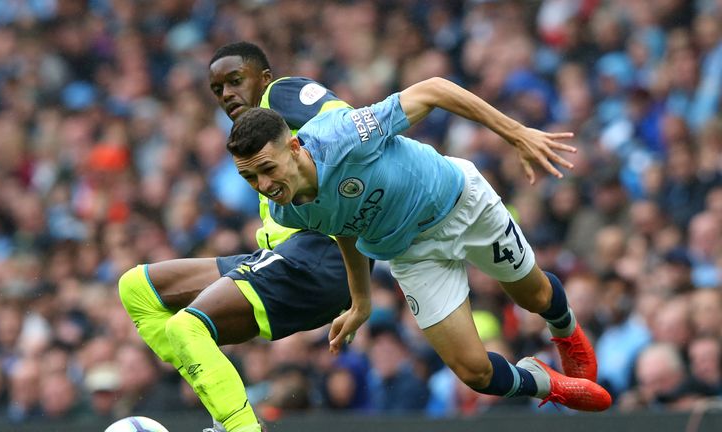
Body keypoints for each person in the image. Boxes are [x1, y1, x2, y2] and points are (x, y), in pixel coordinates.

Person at [226, 77, 612, 411]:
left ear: (293, 148)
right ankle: (550, 383)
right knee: (474, 373)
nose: (264, 186)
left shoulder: (343, 134)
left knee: (536, 297)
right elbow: (340, 225)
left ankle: (565, 330)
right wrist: (360, 301)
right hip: (410, 253)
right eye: (250, 178)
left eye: (267, 169)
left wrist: (516, 133)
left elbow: (434, 90)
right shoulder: (284, 212)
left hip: (463, 205)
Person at [118, 42, 352, 432]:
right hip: (280, 259)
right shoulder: (255, 141)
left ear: (263, 78)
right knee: (137, 288)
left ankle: (241, 427)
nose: (226, 94)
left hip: (319, 254)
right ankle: (223, 404)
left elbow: (347, 122)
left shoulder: (280, 93)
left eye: (235, 81)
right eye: (217, 90)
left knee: (184, 327)